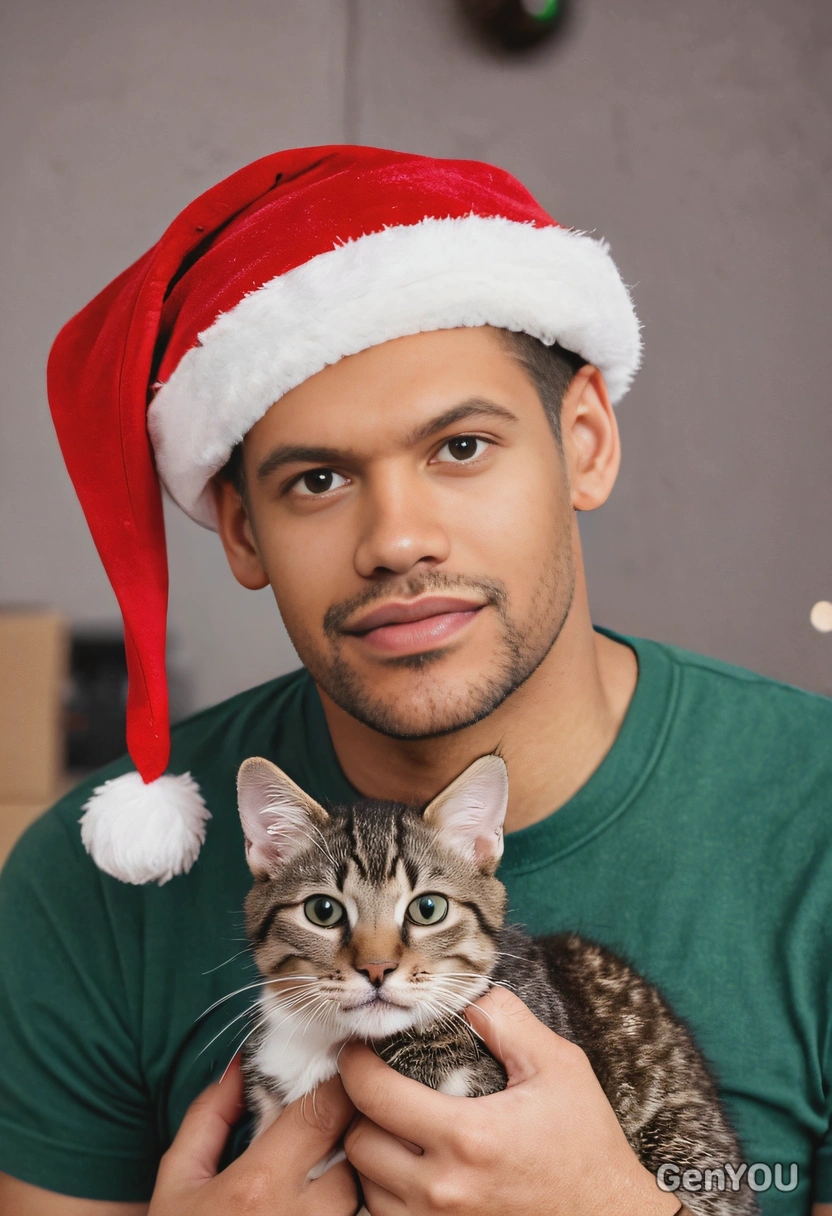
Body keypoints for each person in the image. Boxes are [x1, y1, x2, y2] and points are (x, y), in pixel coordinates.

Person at [0, 145, 829, 1216]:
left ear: (583, 443)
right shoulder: (84, 893)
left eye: (462, 447)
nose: (397, 539)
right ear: (242, 531)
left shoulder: (809, 816)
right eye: (318, 478)